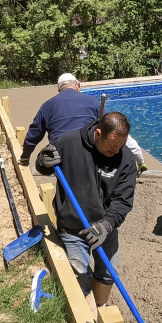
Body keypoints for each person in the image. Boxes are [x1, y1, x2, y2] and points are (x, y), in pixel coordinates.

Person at [35, 112, 136, 312]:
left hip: (104, 225)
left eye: (120, 146)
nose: (116, 151)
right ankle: (85, 313)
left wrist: (106, 225)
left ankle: (100, 306)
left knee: (109, 272)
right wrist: (42, 161)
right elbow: (44, 167)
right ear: (98, 134)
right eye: (112, 146)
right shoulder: (68, 143)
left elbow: (123, 201)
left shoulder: (125, 159)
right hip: (72, 225)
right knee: (79, 272)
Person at [20, 73, 146, 170]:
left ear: (60, 89)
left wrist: (25, 156)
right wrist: (140, 161)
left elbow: (34, 133)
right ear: (77, 86)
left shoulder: (47, 106)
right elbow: (111, 127)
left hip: (59, 155)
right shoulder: (92, 101)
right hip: (88, 153)